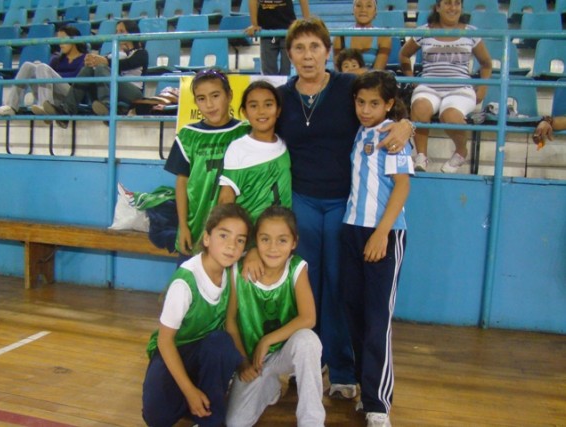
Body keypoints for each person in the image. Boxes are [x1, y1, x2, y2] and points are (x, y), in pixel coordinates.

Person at [244, 17, 415, 401]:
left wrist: (407, 123)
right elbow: (254, 125)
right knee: (304, 287)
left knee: (339, 289)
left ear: (328, 51)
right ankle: (306, 364)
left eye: (315, 47)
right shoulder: (282, 95)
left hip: (343, 205)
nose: (307, 56)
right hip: (299, 202)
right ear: (289, 54)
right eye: (299, 48)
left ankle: (341, 371)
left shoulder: (346, 87)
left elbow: (386, 102)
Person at [342, 71, 414, 427]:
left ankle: (378, 404)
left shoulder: (393, 133)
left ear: (388, 104)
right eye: (360, 102)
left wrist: (382, 233)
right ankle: (362, 386)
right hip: (352, 230)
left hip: (384, 234)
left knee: (376, 321)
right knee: (354, 314)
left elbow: (402, 188)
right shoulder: (358, 132)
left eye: (374, 103)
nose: (366, 109)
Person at [142, 203, 252, 427]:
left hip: (207, 352)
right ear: (207, 238)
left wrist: (243, 363)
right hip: (174, 350)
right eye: (224, 235)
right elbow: (165, 341)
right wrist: (190, 391)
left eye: (240, 240)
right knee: (157, 418)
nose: (231, 246)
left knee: (221, 343)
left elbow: (230, 322)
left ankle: (211, 419)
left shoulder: (231, 271)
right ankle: (193, 396)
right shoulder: (185, 281)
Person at [225, 206, 325, 427]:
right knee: (235, 423)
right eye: (265, 239)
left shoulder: (296, 268)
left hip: (284, 353)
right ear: (255, 241)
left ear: (294, 242)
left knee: (308, 341)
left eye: (282, 240)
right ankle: (269, 385)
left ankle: (312, 421)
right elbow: (230, 321)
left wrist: (267, 340)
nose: (273, 248)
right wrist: (243, 361)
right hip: (254, 361)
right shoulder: (238, 271)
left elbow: (309, 318)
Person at [164, 68, 251, 265]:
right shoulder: (187, 135)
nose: (209, 104)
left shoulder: (245, 132)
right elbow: (182, 183)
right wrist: (183, 226)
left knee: (227, 288)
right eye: (201, 98)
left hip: (232, 228)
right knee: (191, 285)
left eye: (215, 95)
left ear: (229, 95)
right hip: (196, 224)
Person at [399, 0, 492, 173]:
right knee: (419, 107)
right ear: (438, 7)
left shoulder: (471, 32)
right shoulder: (424, 31)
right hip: (428, 86)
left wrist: (483, 88)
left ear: (461, 8)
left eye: (457, 3)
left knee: (449, 115)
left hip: (460, 88)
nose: (453, 7)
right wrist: (411, 79)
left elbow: (486, 63)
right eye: (448, 3)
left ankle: (461, 151)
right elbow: (404, 55)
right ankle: (421, 157)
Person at [37, 20, 148, 129]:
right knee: (88, 70)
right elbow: (103, 62)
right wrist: (91, 60)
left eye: (122, 31)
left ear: (132, 33)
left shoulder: (141, 53)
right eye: (116, 31)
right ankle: (66, 110)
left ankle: (107, 106)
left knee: (101, 67)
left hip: (133, 91)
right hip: (113, 88)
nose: (117, 34)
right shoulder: (113, 53)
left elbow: (127, 64)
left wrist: (104, 61)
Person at [218, 80, 291, 222]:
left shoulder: (284, 145)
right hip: (250, 235)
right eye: (253, 106)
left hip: (280, 233)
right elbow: (226, 199)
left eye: (268, 105)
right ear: (245, 112)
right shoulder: (238, 148)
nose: (261, 111)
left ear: (278, 110)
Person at [0, 26, 86, 117]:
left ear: (74, 40)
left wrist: (52, 74)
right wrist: (50, 74)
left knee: (43, 67)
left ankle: (45, 105)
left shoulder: (84, 58)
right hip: (52, 96)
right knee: (28, 66)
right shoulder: (56, 59)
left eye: (63, 39)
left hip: (71, 96)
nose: (60, 44)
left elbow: (77, 77)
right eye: (59, 40)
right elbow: (45, 75)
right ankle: (11, 106)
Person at [245, 0, 310, 75]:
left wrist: (307, 22)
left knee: (286, 71)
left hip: (287, 29)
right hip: (267, 31)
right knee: (269, 73)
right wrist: (254, 24)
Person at [332, 0, 391, 71]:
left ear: (375, 11)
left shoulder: (383, 36)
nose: (363, 10)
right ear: (353, 10)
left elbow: (377, 72)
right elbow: (339, 72)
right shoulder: (340, 37)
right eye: (359, 5)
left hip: (372, 81)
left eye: (369, 6)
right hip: (347, 81)